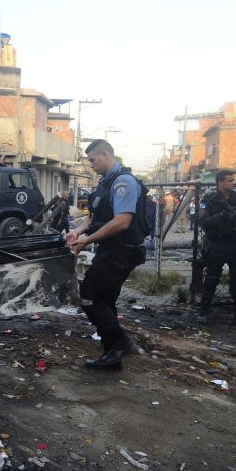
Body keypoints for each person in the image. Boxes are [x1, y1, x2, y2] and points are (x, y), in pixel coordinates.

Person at [65, 140, 146, 370]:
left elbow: (122, 222)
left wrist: (87, 240)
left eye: (93, 160)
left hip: (123, 250)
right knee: (106, 300)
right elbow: (95, 217)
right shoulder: (105, 183)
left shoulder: (123, 182)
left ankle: (120, 343)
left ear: (106, 155)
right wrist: (77, 231)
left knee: (89, 294)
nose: (90, 165)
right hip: (111, 248)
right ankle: (112, 357)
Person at [198, 170, 236, 325]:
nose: (233, 183)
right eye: (230, 180)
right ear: (220, 182)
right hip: (217, 244)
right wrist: (221, 216)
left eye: (234, 180)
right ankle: (204, 310)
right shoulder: (209, 200)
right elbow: (203, 222)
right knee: (211, 278)